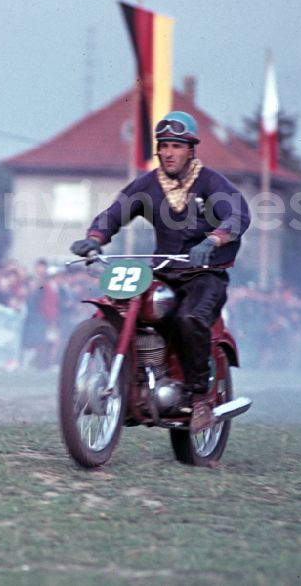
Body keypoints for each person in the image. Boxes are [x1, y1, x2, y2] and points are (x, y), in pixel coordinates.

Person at [70, 110, 251, 422]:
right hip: (163, 271)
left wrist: (212, 241)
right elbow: (115, 213)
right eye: (164, 145)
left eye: (177, 146)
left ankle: (198, 398)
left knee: (189, 317)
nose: (168, 152)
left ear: (191, 149)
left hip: (204, 275)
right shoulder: (148, 185)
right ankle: (129, 380)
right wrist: (95, 238)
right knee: (120, 309)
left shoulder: (210, 183)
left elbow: (236, 215)